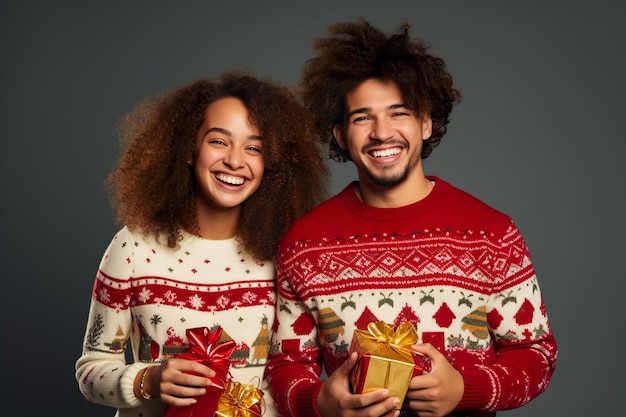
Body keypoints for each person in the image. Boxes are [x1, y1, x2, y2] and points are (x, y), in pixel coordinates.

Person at [265, 19, 558, 417]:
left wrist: (464, 390)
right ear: (339, 135)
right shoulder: (303, 243)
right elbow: (284, 367)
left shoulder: (492, 234)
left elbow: (535, 354)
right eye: (362, 117)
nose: (382, 132)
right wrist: (318, 401)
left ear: (425, 122)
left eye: (398, 113)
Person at [75, 71, 328, 417]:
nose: (235, 160)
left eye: (253, 148)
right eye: (219, 141)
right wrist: (148, 381)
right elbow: (91, 369)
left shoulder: (286, 254)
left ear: (270, 162)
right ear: (189, 149)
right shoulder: (131, 247)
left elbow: (296, 370)